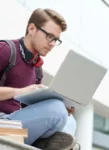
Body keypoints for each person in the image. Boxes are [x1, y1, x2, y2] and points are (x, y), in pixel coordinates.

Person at [0, 8, 78, 150]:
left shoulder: (37, 69)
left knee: (70, 120)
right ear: (31, 29)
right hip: (2, 124)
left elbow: (31, 110)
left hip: (17, 124)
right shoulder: (6, 50)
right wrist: (19, 92)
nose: (53, 44)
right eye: (50, 36)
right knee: (56, 110)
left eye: (56, 40)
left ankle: (44, 143)